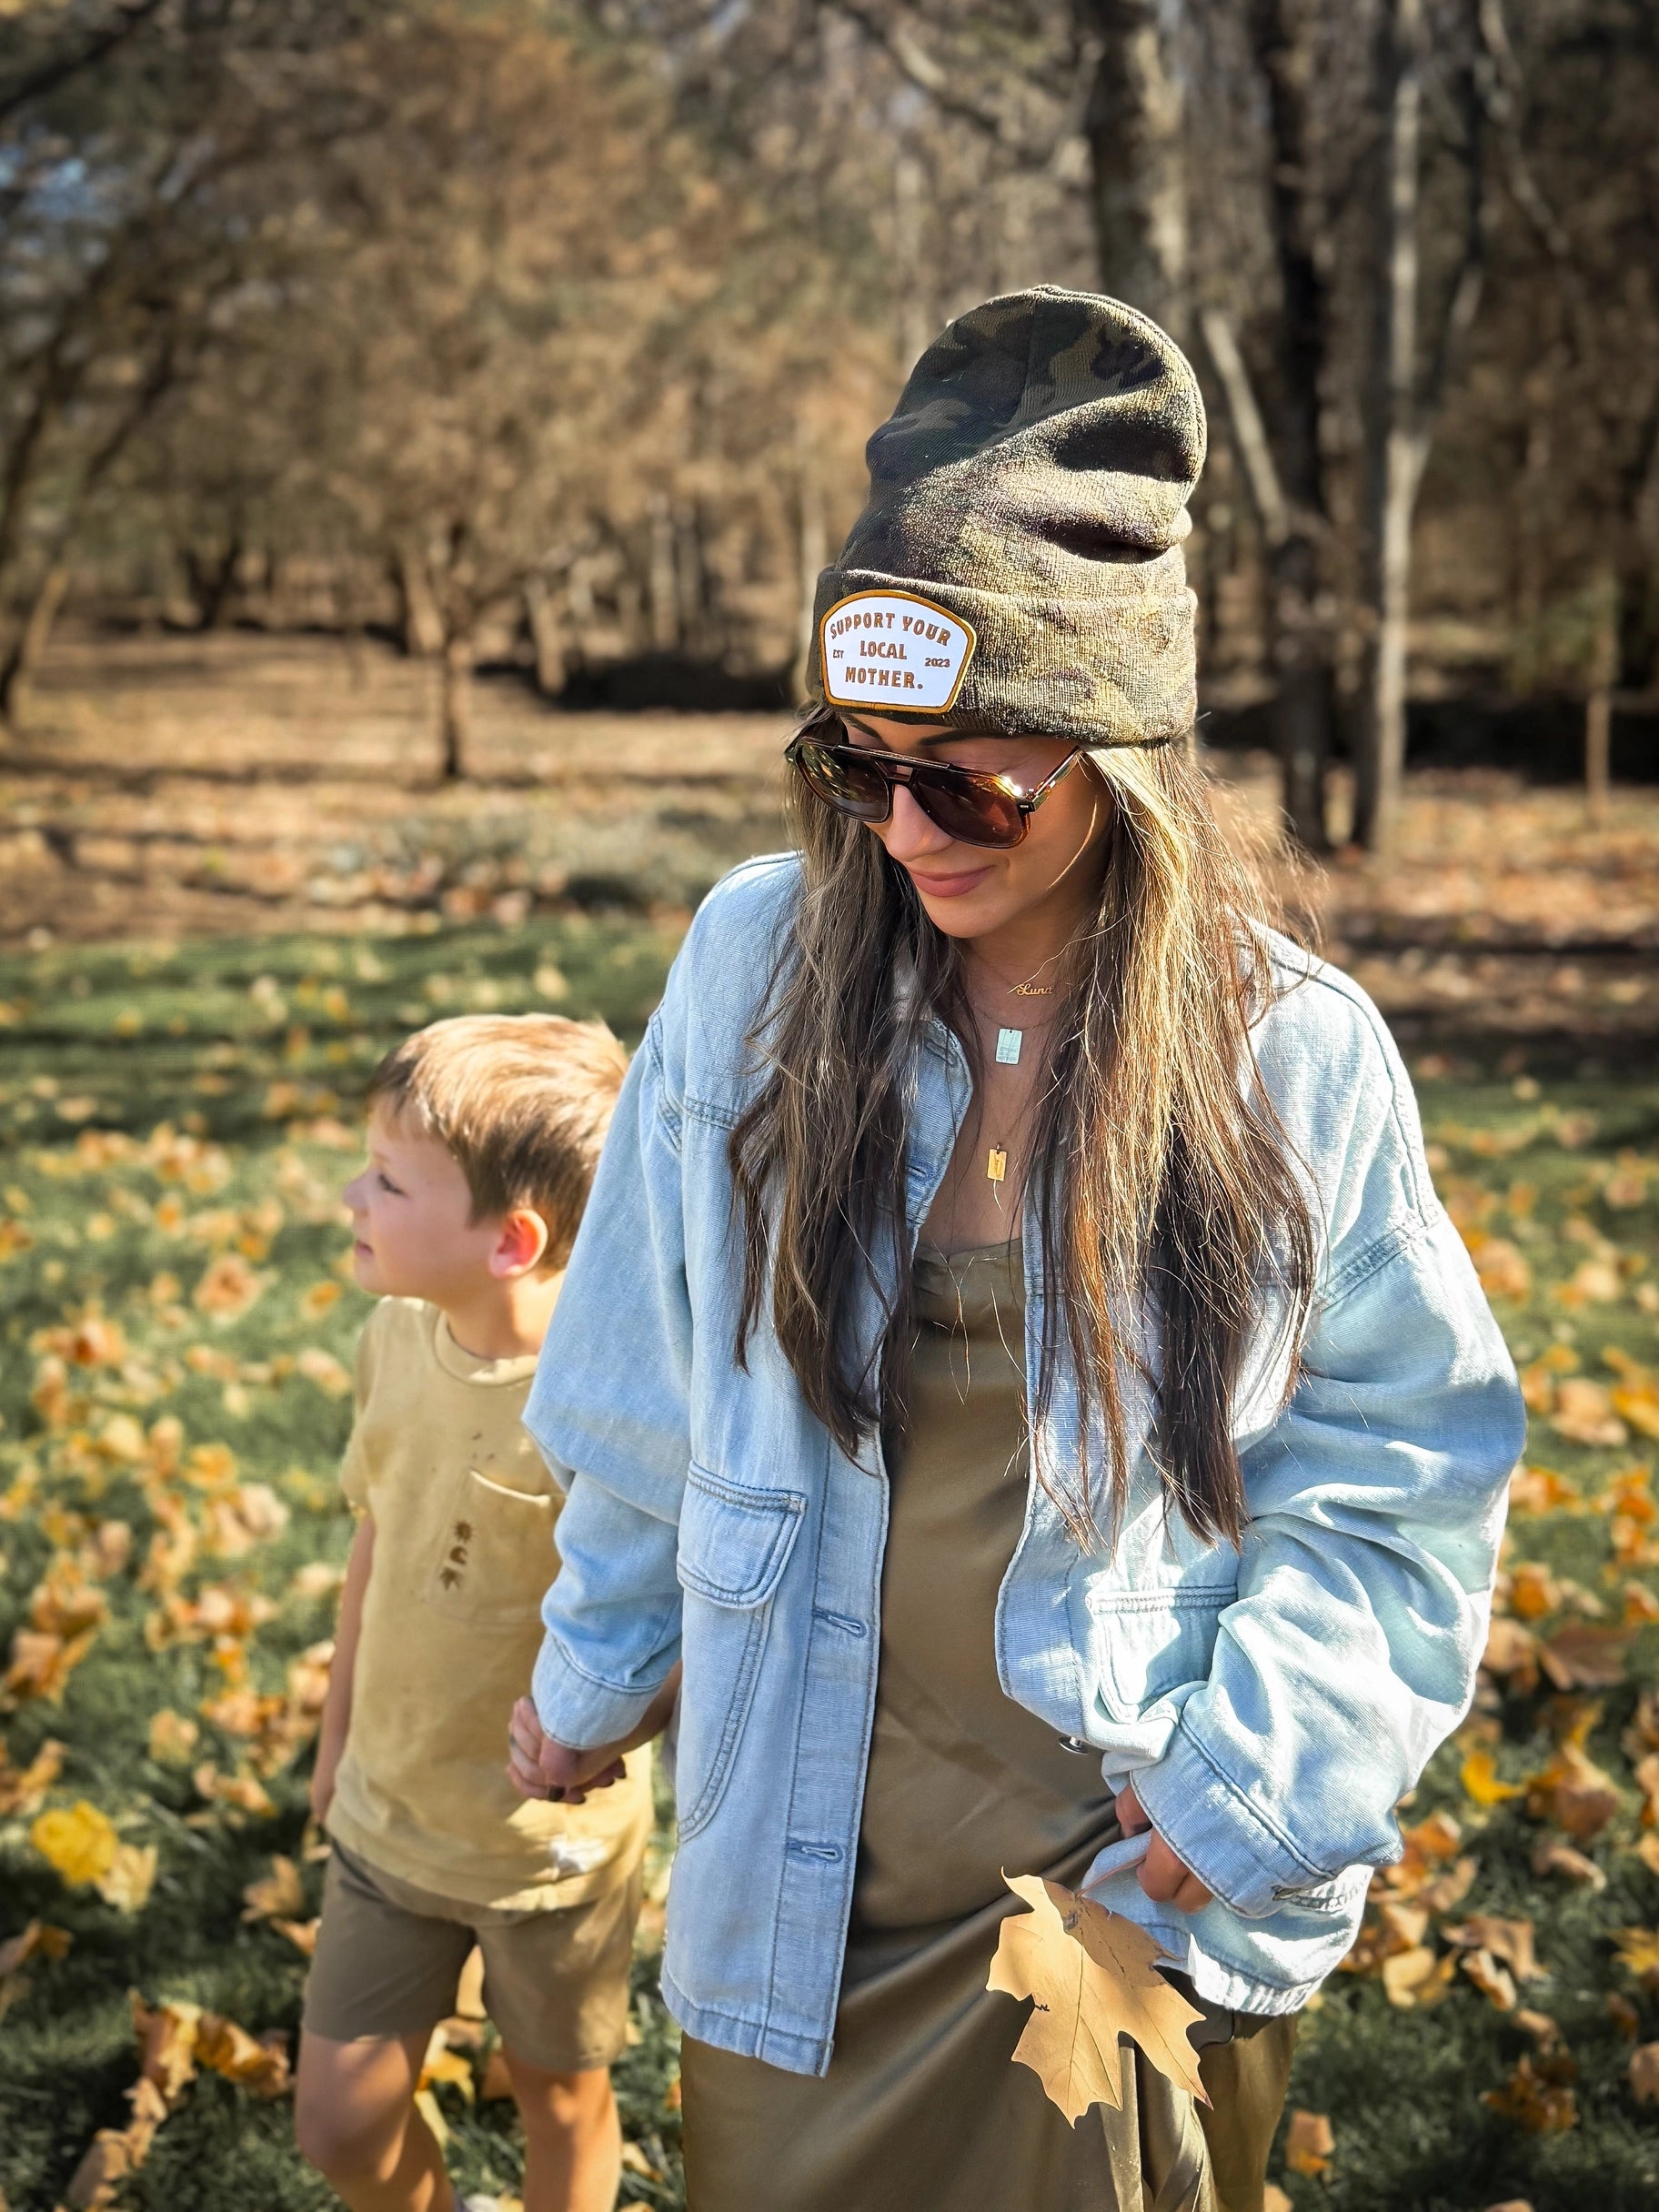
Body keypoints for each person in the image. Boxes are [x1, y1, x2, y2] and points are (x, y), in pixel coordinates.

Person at [508, 289, 1525, 2212]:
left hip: (1126, 1893)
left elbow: (1400, 1485)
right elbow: (642, 1388)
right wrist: (586, 1675)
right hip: (795, 1878)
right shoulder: (752, 974)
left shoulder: (1287, 1057)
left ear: (1118, 751)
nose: (902, 829)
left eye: (971, 780)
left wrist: (1243, 1793)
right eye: (853, 763)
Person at [297, 1013, 669, 2212]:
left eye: (391, 1181)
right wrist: (335, 1733)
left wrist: (628, 1721)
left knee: (560, 2098)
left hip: (545, 1853)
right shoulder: (392, 1339)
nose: (352, 1194)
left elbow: (666, 1611)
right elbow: (376, 1541)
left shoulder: (603, 1407)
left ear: (512, 1242)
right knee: (343, 2125)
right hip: (389, 1818)